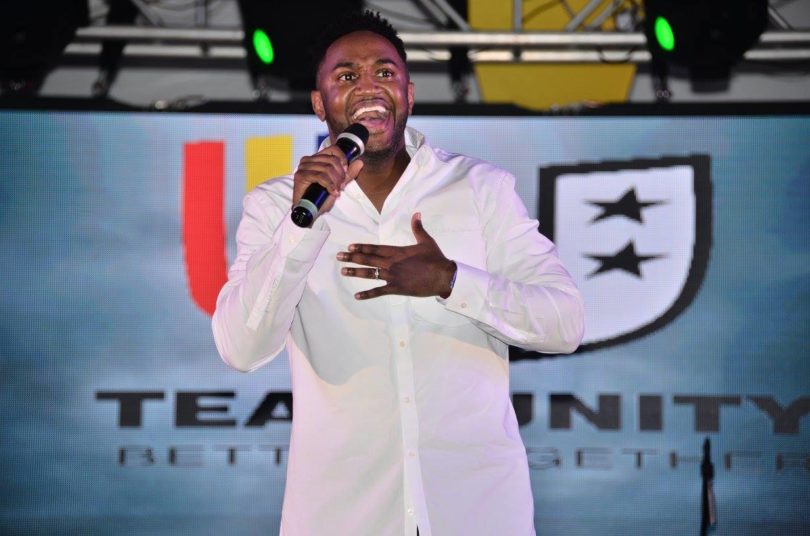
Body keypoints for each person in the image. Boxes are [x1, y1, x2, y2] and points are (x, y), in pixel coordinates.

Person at [212, 10, 584, 536]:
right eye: (347, 76)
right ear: (318, 103)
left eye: (384, 72)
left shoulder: (481, 189)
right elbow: (240, 348)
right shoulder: (276, 206)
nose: (368, 86)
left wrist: (452, 281)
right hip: (342, 518)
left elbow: (565, 323)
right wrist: (298, 230)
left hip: (477, 512)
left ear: (408, 94)